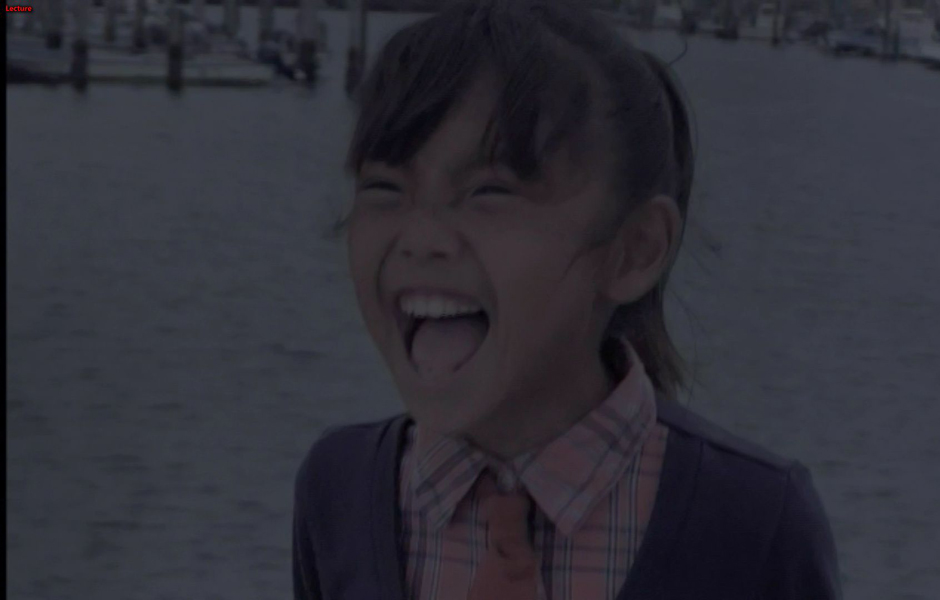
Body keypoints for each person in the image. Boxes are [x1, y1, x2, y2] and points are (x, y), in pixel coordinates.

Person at [292, 1, 842, 599]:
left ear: (633, 251)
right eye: (383, 187)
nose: (422, 239)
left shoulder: (754, 521)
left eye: (489, 192)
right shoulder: (338, 489)